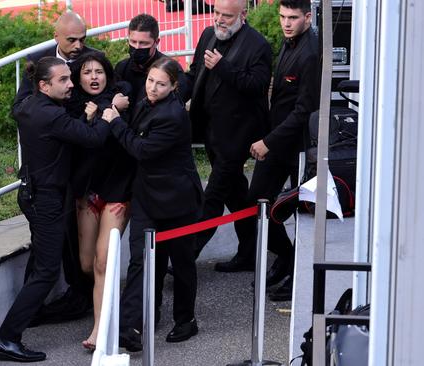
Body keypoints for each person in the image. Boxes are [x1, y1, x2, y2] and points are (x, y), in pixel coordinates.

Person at [0, 56, 111, 362]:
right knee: (46, 271)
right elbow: (93, 139)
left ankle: (26, 316)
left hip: (32, 193)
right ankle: (7, 338)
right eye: (63, 80)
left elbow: (19, 96)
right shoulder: (51, 116)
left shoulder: (27, 105)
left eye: (70, 78)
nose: (71, 84)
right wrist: (105, 117)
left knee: (42, 258)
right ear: (44, 86)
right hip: (45, 198)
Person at [102, 57, 203, 351]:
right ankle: (134, 325)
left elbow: (142, 150)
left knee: (182, 263)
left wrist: (115, 123)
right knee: (141, 261)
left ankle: (186, 320)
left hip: (178, 199)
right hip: (147, 195)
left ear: (173, 87)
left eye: (160, 84)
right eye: (150, 81)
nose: (153, 88)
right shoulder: (146, 102)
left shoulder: (172, 116)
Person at [14, 11, 102, 324]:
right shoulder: (37, 62)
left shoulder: (94, 60)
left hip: (80, 161)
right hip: (50, 168)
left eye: (83, 38)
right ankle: (29, 312)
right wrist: (54, 115)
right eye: (72, 39)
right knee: (48, 244)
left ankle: (77, 297)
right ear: (56, 37)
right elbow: (20, 107)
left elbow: (105, 92)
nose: (79, 45)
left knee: (69, 240)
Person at [242, 0, 319, 301]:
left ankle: (296, 271)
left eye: (294, 18)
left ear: (308, 17)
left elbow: (303, 111)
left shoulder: (311, 53)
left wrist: (268, 141)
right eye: (283, 16)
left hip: (297, 147)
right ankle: (286, 257)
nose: (286, 23)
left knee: (301, 214)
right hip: (277, 142)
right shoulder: (290, 43)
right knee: (256, 203)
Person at [187, 0, 272, 269]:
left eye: (227, 15)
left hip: (238, 136)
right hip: (210, 131)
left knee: (212, 196)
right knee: (236, 196)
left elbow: (257, 86)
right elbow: (194, 73)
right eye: (216, 14)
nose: (219, 20)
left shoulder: (257, 45)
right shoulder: (208, 35)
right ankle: (249, 253)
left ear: (243, 16)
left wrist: (224, 66)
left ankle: (186, 256)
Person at [67, 52, 134, 350]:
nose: (94, 77)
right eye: (86, 72)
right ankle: (106, 305)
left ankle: (99, 330)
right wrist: (91, 115)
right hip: (88, 192)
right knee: (86, 263)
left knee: (103, 262)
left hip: (118, 191)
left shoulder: (122, 98)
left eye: (99, 71)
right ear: (77, 77)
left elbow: (122, 129)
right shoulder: (70, 105)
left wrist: (108, 108)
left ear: (108, 74)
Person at [115, 13, 191, 107]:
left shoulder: (172, 69)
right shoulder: (121, 68)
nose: (137, 47)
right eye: (133, 42)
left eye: (144, 43)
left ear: (156, 42)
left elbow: (176, 105)